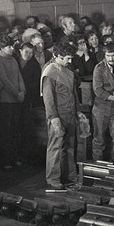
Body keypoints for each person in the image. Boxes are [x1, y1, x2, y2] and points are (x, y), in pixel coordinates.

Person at [41, 41, 81, 191]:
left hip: (70, 113)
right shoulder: (50, 72)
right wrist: (54, 118)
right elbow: (48, 98)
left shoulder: (66, 68)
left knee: (70, 147)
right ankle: (53, 179)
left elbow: (73, 92)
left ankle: (71, 176)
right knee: (55, 148)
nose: (70, 61)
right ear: (57, 56)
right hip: (58, 116)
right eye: (67, 58)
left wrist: (78, 111)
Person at [0, 35, 26, 170]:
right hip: (6, 100)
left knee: (15, 129)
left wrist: (23, 91)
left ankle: (14, 157)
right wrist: (16, 93)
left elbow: (19, 76)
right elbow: (4, 80)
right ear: (1, 48)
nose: (11, 48)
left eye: (12, 46)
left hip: (17, 100)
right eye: (8, 46)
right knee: (6, 131)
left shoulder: (13, 59)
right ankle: (6, 160)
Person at [91, 43, 114, 162]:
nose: (111, 58)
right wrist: (113, 97)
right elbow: (98, 90)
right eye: (108, 55)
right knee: (99, 140)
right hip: (101, 108)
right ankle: (97, 168)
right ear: (104, 55)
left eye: (113, 55)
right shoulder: (99, 68)